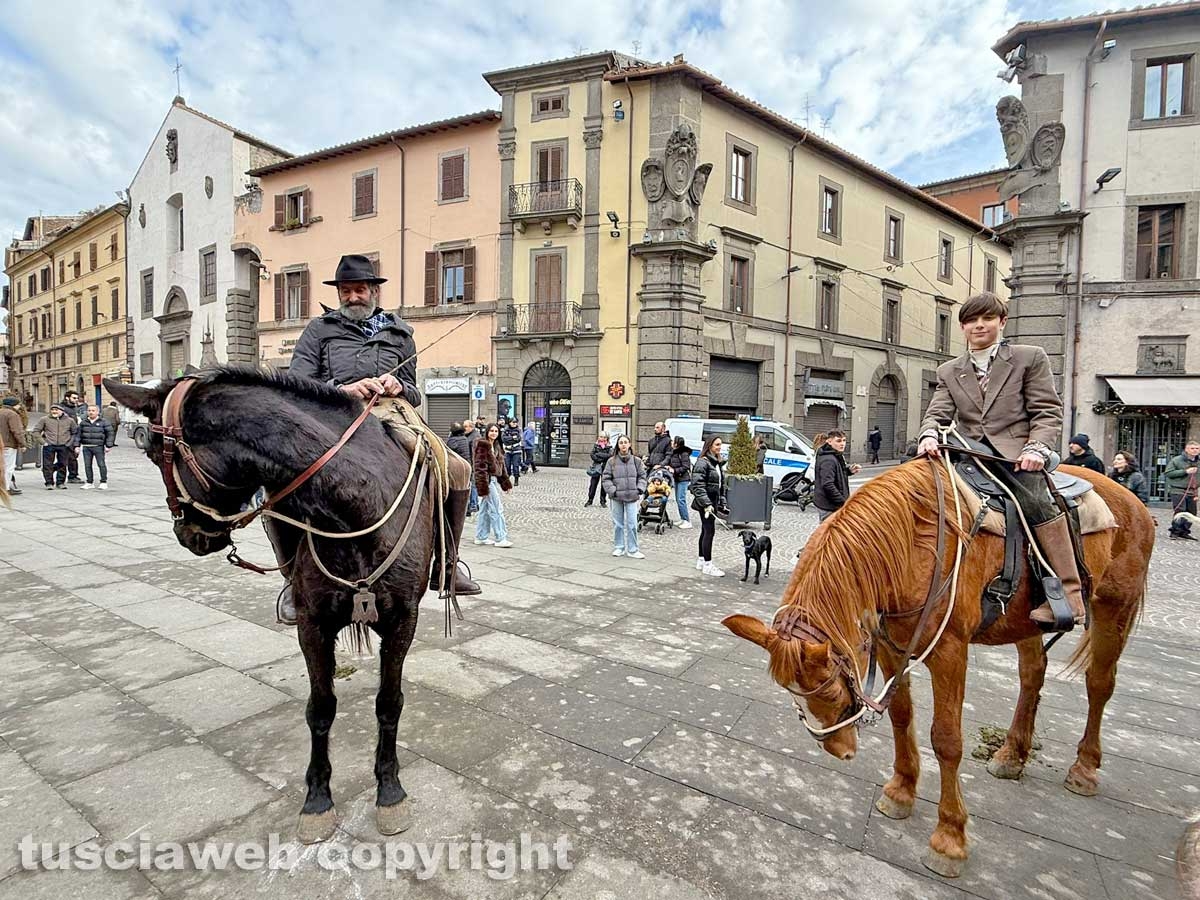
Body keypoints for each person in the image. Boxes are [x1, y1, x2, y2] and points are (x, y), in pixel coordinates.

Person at [280, 253, 480, 625]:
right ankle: (292, 580)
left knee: (457, 468)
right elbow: (298, 384)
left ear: (374, 291)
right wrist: (344, 389)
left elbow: (415, 392)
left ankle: (447, 566)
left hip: (392, 413)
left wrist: (398, 385)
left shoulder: (400, 334)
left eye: (359, 289)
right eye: (346, 291)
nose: (352, 297)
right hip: (333, 416)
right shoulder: (318, 330)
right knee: (279, 478)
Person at [918, 291, 1084, 628]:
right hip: (967, 452)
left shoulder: (1029, 357)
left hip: (1015, 455)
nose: (979, 325)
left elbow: (1046, 411)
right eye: (971, 320)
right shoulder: (949, 370)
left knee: (1036, 501)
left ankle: (1070, 593)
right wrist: (929, 435)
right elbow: (937, 413)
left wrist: (1035, 448)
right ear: (962, 327)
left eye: (987, 318)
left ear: (1002, 322)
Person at [602, 434, 647, 559]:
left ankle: (633, 549)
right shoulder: (611, 461)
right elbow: (606, 478)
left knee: (632, 524)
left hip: (632, 496)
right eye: (621, 443)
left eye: (625, 442)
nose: (623, 445)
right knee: (618, 524)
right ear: (618, 445)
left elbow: (642, 477)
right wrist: (613, 491)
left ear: (629, 444)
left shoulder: (637, 461)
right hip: (616, 497)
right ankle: (619, 547)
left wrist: (639, 489)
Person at [690, 435, 726, 577]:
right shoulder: (702, 462)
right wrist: (707, 504)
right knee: (709, 532)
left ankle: (701, 560)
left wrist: (722, 500)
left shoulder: (716, 462)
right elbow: (697, 485)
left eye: (720, 444)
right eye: (717, 444)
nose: (719, 447)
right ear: (709, 445)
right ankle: (708, 565)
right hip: (706, 503)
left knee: (705, 530)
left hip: (712, 501)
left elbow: (720, 484)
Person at [473, 423, 513, 547]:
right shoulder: (483, 445)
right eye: (491, 431)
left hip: (494, 480)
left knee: (484, 510)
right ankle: (501, 538)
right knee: (496, 508)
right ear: (487, 432)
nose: (494, 433)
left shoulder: (497, 446)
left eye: (496, 431)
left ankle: (481, 536)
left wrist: (506, 483)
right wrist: (483, 488)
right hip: (487, 481)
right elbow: (479, 468)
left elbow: (502, 467)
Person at [813, 429, 860, 522]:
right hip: (829, 506)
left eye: (844, 440)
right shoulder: (829, 459)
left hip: (831, 505)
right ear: (829, 441)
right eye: (838, 441)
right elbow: (827, 484)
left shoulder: (834, 454)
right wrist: (842, 502)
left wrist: (849, 471)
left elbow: (836, 474)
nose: (842, 444)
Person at [36, 404, 78, 490]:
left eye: (56, 410)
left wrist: (69, 443)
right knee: (47, 464)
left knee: (62, 464)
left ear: (62, 411)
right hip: (49, 445)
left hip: (64, 445)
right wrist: (43, 442)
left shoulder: (70, 420)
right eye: (52, 410)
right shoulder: (44, 419)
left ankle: (60, 482)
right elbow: (36, 431)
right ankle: (49, 482)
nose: (54, 411)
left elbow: (75, 432)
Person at [1166, 438, 1200, 540]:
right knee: (1180, 511)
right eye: (1192, 448)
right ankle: (1175, 532)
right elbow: (1168, 473)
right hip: (1178, 489)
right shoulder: (1176, 460)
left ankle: (1184, 531)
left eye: (1197, 448)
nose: (1195, 450)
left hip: (1193, 491)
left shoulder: (1198, 462)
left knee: (1192, 512)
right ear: (1186, 449)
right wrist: (1185, 472)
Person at [78, 404, 115, 490]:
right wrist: (77, 446)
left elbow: (110, 434)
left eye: (93, 411)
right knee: (87, 465)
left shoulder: (104, 422)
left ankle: (103, 481)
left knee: (101, 464)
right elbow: (78, 435)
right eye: (89, 410)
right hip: (86, 446)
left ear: (98, 412)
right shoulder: (83, 422)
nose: (91, 412)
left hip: (98, 446)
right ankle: (89, 482)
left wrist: (108, 445)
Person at [60, 390, 88, 483]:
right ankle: (72, 476)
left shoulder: (74, 408)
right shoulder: (62, 408)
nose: (76, 400)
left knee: (72, 456)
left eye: (77, 398)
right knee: (70, 457)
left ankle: (72, 475)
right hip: (66, 436)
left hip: (74, 435)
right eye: (74, 398)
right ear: (67, 398)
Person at [667, 435, 694, 530]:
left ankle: (687, 521)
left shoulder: (683, 453)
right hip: (677, 479)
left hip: (683, 479)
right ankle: (683, 519)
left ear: (676, 444)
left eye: (673, 441)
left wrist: (674, 470)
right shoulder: (674, 452)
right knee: (678, 500)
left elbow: (686, 466)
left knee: (681, 500)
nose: (671, 442)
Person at [1, 399, 26, 494]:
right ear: (14, 405)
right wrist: (22, 444)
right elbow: (17, 431)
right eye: (18, 405)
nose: (19, 407)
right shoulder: (12, 414)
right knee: (8, 467)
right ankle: (6, 488)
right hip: (8, 444)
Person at [584, 433, 612, 507]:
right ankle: (590, 500)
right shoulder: (596, 445)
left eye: (604, 437)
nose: (602, 438)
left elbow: (609, 455)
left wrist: (598, 454)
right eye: (601, 436)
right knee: (593, 484)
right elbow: (592, 455)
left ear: (607, 438)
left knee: (604, 485)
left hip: (605, 467)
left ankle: (603, 501)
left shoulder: (609, 446)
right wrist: (600, 459)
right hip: (596, 467)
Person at [463, 420, 481, 515]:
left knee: (473, 485)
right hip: (469, 463)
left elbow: (476, 453)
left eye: (465, 426)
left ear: (471, 427)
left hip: (473, 464)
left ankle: (473, 504)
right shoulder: (468, 436)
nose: (464, 428)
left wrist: (474, 466)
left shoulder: (475, 437)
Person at [501, 418, 524, 485]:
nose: (514, 423)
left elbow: (518, 439)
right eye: (513, 422)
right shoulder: (506, 430)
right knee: (507, 466)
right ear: (510, 423)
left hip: (516, 450)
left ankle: (516, 479)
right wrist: (512, 438)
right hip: (508, 450)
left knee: (515, 466)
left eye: (515, 422)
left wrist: (510, 439)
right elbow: (504, 439)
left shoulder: (519, 430)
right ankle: (507, 479)